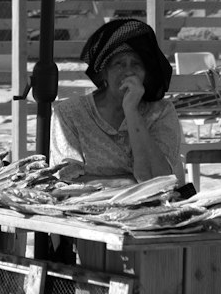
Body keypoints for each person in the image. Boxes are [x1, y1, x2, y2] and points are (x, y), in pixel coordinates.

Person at [49, 17, 185, 183]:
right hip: (87, 205)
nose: (128, 72)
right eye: (119, 64)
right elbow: (67, 180)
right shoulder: (69, 113)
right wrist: (127, 182)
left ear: (146, 73)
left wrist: (131, 111)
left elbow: (158, 179)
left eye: (136, 64)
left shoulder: (161, 112)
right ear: (104, 73)